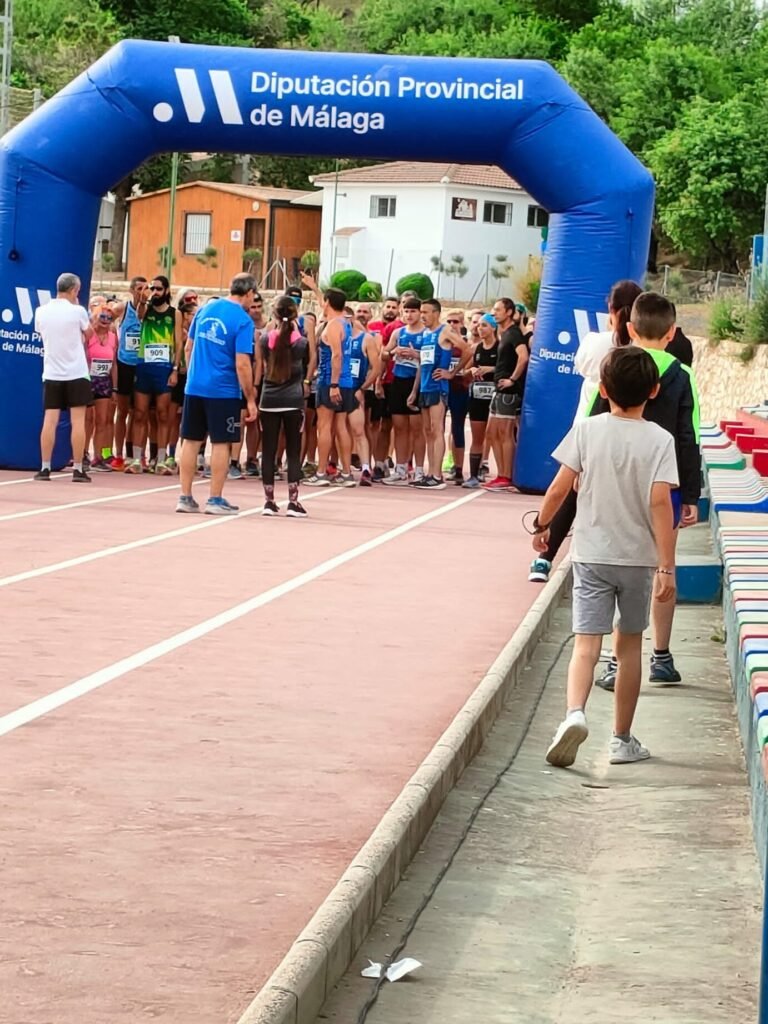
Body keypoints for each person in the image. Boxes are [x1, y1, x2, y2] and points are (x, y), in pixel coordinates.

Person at [535, 346, 678, 768]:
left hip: (591, 554)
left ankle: (574, 713)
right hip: (637, 560)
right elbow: (660, 504)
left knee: (585, 644)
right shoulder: (660, 440)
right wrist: (666, 566)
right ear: (653, 391)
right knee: (629, 645)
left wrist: (542, 526)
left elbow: (561, 487)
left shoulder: (587, 430)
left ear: (602, 389)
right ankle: (621, 739)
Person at [594, 292, 700, 689]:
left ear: (629, 328)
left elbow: (593, 421)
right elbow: (689, 438)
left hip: (617, 486)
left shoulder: (613, 365)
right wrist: (690, 494)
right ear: (672, 333)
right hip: (666, 486)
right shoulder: (682, 375)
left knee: (620, 570)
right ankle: (661, 656)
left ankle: (615, 660)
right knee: (662, 569)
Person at [528, 280, 643, 583]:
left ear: (611, 309)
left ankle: (545, 555)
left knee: (568, 489)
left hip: (589, 425)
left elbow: (582, 366)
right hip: (630, 425)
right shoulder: (640, 347)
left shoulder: (595, 342)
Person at [176, 273, 258, 515]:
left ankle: (185, 496)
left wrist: (193, 375)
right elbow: (243, 363)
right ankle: (214, 498)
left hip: (195, 386)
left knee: (191, 441)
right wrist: (250, 398)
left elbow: (189, 347)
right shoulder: (243, 320)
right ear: (249, 292)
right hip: (223, 390)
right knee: (221, 442)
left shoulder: (204, 310)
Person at [255, 294, 315, 518]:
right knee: (293, 450)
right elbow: (308, 361)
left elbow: (261, 365)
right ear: (296, 314)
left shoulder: (264, 339)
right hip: (293, 401)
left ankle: (269, 501)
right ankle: (293, 501)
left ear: (274, 315)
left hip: (268, 400)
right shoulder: (301, 342)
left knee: (268, 450)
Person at [33, 272, 93, 483]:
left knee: (50, 420)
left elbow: (41, 333)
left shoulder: (41, 311)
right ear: (74, 290)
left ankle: (45, 467)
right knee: (78, 421)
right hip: (76, 372)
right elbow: (89, 335)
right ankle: (77, 468)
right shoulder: (78, 311)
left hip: (52, 372)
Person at [409, 299, 470, 487]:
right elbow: (425, 362)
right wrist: (414, 390)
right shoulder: (426, 334)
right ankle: (430, 472)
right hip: (425, 387)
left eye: (426, 312)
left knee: (437, 430)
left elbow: (467, 350)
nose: (422, 316)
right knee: (427, 431)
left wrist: (452, 373)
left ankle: (437, 475)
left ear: (436, 313)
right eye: (421, 312)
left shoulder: (445, 331)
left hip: (438, 387)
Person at [125, 275, 181, 475]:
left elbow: (178, 344)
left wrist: (175, 369)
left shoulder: (175, 314)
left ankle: (161, 459)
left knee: (163, 414)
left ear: (166, 291)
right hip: (144, 366)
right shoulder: (145, 310)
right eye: (152, 288)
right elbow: (138, 312)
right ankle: (137, 459)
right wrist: (142, 294)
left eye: (158, 289)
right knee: (139, 413)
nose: (155, 292)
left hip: (164, 368)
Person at [305, 287, 357, 488]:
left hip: (330, 381)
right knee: (341, 426)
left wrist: (333, 384)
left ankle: (321, 472)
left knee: (324, 426)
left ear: (328, 303)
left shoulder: (333, 326)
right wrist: (315, 288)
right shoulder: (345, 322)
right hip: (346, 381)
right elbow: (326, 303)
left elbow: (337, 355)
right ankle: (346, 472)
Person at [485, 297, 529, 490]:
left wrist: (512, 379)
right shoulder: (504, 334)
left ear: (509, 312)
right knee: (492, 433)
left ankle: (506, 476)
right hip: (499, 390)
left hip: (509, 391)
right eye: (493, 310)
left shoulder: (514, 334)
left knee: (504, 434)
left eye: (498, 310)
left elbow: (524, 357)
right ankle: (501, 474)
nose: (494, 313)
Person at [382, 296, 424, 486]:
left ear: (420, 312)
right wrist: (393, 352)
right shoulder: (398, 333)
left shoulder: (426, 333)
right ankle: (400, 468)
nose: (409, 315)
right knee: (399, 427)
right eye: (406, 311)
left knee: (417, 429)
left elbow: (431, 357)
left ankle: (419, 469)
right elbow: (384, 353)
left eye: (413, 311)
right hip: (398, 381)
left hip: (417, 381)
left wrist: (416, 354)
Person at [112, 276, 148, 470]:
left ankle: (136, 453)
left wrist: (143, 302)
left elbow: (142, 316)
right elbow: (104, 317)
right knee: (123, 411)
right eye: (140, 288)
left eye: (146, 287)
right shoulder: (122, 308)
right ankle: (118, 454)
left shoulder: (147, 309)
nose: (143, 291)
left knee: (140, 412)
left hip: (142, 365)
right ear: (132, 290)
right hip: (124, 363)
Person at [345, 306, 381, 486]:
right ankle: (339, 468)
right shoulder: (333, 337)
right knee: (338, 431)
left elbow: (377, 367)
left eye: (346, 318)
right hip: (336, 389)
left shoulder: (365, 339)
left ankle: (366, 467)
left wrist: (363, 388)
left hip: (354, 390)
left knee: (358, 430)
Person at [462, 313, 499, 488]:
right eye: (479, 325)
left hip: (495, 397)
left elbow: (508, 368)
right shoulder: (476, 348)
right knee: (477, 436)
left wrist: (489, 369)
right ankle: (474, 475)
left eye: (484, 325)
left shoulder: (501, 347)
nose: (480, 328)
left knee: (495, 436)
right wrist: (472, 371)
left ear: (493, 328)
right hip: (477, 396)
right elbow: (465, 370)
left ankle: (505, 473)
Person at [369, 296, 402, 481]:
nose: (391, 309)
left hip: (409, 382)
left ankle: (404, 465)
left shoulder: (424, 330)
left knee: (405, 427)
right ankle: (379, 464)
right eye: (388, 306)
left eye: (394, 307)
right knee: (383, 425)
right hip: (389, 381)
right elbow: (383, 355)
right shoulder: (391, 328)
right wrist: (379, 381)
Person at [85, 305, 118, 472]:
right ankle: (83, 453)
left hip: (104, 381)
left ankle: (100, 456)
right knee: (87, 419)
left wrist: (115, 388)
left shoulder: (113, 337)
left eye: (109, 319)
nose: (105, 321)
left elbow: (114, 364)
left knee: (103, 420)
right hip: (88, 379)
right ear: (94, 317)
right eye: (102, 317)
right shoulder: (88, 334)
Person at [444, 309, 470, 484]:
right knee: (436, 428)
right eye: (450, 322)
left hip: (460, 390)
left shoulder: (466, 345)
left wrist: (454, 372)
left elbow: (471, 362)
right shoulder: (443, 342)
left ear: (462, 324)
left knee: (457, 428)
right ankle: (437, 467)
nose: (452, 325)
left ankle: (459, 468)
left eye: (456, 322)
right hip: (441, 389)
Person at [245, 291, 267, 477]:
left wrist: (257, 384)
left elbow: (261, 361)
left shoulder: (268, 327)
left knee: (257, 422)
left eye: (259, 307)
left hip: (262, 381)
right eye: (253, 307)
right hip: (240, 380)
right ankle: (232, 459)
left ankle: (253, 458)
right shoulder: (242, 326)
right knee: (239, 420)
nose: (256, 311)